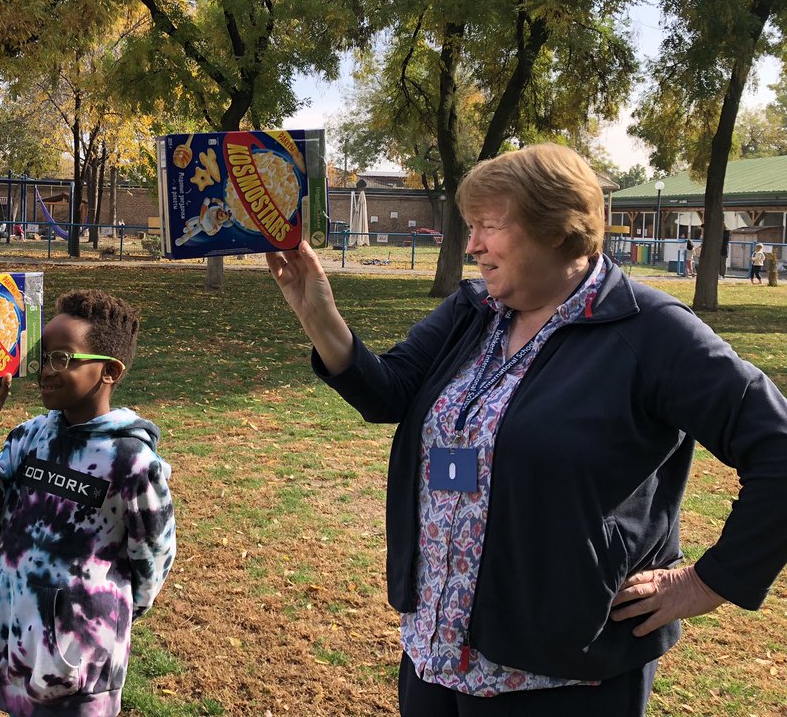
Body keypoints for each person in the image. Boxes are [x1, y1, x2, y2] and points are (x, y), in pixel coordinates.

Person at [265, 144, 787, 716]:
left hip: (559, 675)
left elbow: (777, 449)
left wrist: (707, 582)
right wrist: (315, 312)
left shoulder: (652, 332)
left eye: (490, 226)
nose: (472, 245)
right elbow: (387, 391)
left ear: (559, 230)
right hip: (436, 650)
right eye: (470, 226)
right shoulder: (476, 310)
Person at [0, 290, 176, 716]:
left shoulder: (131, 461)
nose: (44, 372)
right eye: (41, 356)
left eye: (62, 359)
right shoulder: (31, 436)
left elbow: (153, 561)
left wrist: (93, 620)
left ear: (108, 371)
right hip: (10, 651)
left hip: (77, 670)